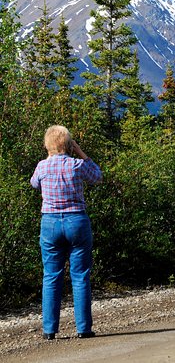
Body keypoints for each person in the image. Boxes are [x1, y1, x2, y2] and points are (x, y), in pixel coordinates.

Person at [30, 126, 102, 340]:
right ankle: (83, 329)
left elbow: (34, 184)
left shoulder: (42, 167)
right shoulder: (77, 165)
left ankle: (49, 330)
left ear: (47, 145)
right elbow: (97, 176)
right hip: (76, 221)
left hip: (50, 223)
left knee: (51, 276)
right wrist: (80, 152)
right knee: (80, 276)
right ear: (69, 145)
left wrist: (49, 156)